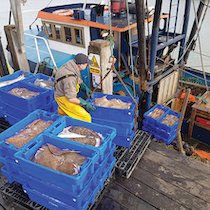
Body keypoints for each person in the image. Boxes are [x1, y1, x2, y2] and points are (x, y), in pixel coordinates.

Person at [54, 53, 95, 122]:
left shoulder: (71, 65)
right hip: (64, 98)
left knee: (65, 113)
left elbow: (77, 78)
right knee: (86, 117)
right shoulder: (70, 79)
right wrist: (84, 103)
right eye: (86, 64)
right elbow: (71, 99)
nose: (87, 65)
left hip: (64, 91)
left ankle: (63, 114)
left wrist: (85, 87)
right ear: (80, 65)